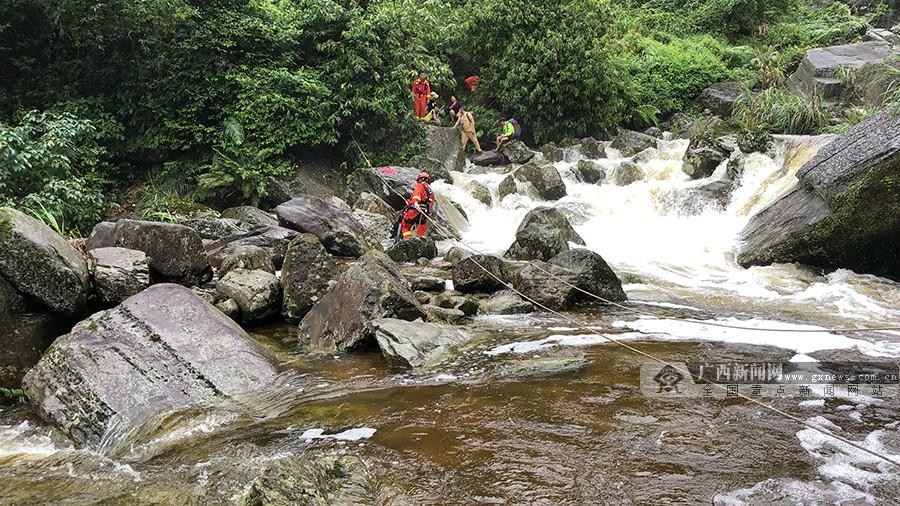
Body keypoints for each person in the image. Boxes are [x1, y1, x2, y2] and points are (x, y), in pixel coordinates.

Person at [400, 172, 435, 238]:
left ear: (420, 179)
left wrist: (415, 202)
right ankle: (422, 243)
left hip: (414, 210)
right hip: (424, 212)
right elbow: (431, 203)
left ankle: (407, 240)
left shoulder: (420, 185)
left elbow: (417, 195)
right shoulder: (431, 191)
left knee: (405, 226)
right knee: (421, 230)